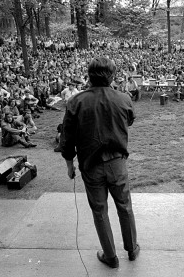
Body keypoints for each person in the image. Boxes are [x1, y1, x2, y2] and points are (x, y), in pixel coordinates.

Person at [60, 57, 139, 269]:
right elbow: (129, 120)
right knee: (125, 206)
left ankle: (111, 257)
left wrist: (70, 164)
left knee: (99, 211)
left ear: (89, 75)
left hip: (91, 165)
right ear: (112, 76)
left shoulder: (76, 102)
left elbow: (66, 138)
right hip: (117, 163)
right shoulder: (123, 98)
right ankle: (132, 249)